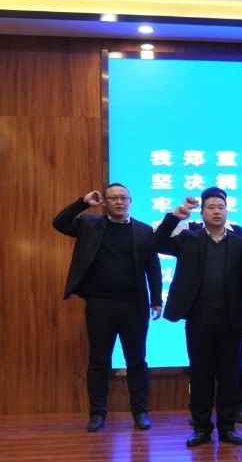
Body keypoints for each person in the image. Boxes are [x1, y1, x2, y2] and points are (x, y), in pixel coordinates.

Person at [52, 183, 162, 432]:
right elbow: (59, 222)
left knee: (137, 360)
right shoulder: (90, 224)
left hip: (134, 305)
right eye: (114, 198)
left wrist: (156, 299)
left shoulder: (144, 231)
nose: (119, 202)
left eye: (124, 198)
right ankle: (97, 414)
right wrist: (83, 202)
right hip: (101, 304)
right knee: (99, 360)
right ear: (104, 202)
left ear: (130, 201)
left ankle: (140, 412)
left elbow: (153, 266)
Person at [153, 189, 242, 446]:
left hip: (231, 321)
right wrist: (175, 216)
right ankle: (201, 428)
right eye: (211, 207)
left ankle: (227, 428)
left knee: (230, 377)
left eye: (221, 206)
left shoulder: (239, 243)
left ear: (227, 211)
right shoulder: (189, 238)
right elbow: (156, 243)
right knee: (200, 376)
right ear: (202, 213)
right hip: (198, 319)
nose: (217, 211)